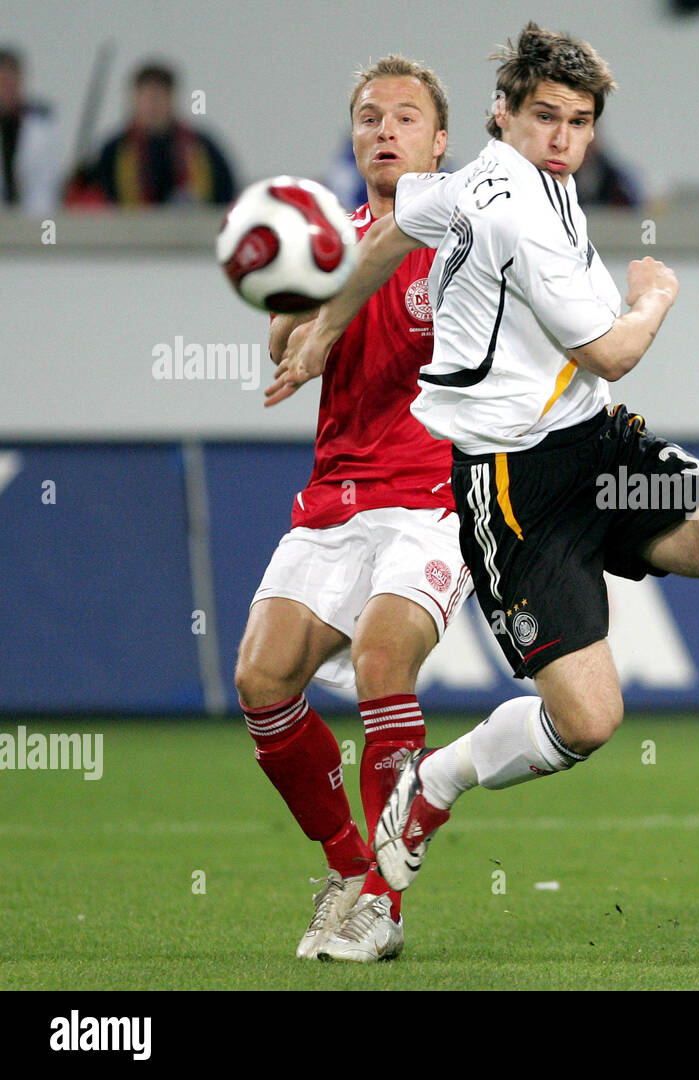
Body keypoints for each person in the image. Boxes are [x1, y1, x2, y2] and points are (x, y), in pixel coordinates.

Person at [278, 23, 699, 909]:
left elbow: (393, 232)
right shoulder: (512, 206)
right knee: (588, 721)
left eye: (580, 122)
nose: (564, 139)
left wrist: (322, 327)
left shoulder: (478, 185)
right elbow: (615, 351)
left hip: (601, 451)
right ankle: (434, 784)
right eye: (545, 117)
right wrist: (656, 295)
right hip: (514, 491)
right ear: (502, 116)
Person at [236, 55, 471, 964]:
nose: (385, 130)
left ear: (439, 141)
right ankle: (346, 868)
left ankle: (384, 903)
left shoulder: (462, 235)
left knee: (381, 662)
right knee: (261, 680)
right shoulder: (330, 240)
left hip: (431, 499)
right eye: (370, 117)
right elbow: (280, 341)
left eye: (406, 117)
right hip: (334, 498)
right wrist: (302, 287)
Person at [92, 60, 235, 206]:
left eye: (159, 97)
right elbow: (97, 202)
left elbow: (225, 197)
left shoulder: (200, 148)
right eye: (146, 97)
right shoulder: (114, 151)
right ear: (134, 100)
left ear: (172, 99)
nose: (152, 105)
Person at [0, 46, 60, 216]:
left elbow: (48, 179)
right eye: (2, 81)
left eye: (11, 81)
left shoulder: (42, 123)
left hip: (36, 216)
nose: (7, 88)